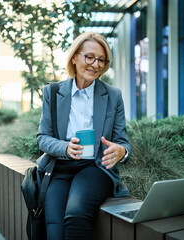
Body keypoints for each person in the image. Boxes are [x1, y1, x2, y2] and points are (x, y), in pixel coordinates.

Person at [36, 32, 131, 240]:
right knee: (54, 230)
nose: (95, 64)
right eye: (89, 57)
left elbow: (122, 142)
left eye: (101, 59)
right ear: (74, 57)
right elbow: (43, 137)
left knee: (76, 214)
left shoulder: (113, 95)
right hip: (60, 168)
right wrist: (65, 148)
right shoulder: (52, 92)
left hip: (95, 167)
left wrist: (121, 151)